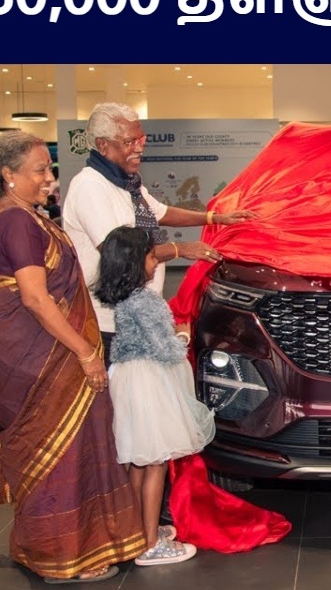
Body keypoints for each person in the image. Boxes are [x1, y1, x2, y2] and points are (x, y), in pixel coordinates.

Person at [0, 131, 146, 583]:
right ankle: (60, 556)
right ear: (8, 175)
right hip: (39, 357)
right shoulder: (16, 221)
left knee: (71, 447)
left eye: (48, 169)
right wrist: (86, 352)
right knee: (58, 452)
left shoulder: (23, 215)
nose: (49, 178)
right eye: (39, 170)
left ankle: (58, 546)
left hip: (43, 350)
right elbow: (35, 298)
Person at [62, 102, 258, 356]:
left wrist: (216, 218)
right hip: (109, 321)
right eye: (130, 142)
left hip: (141, 311)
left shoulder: (127, 183)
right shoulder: (90, 187)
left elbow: (161, 212)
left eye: (141, 139)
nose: (139, 148)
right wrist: (180, 249)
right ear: (103, 145)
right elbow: (120, 254)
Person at [93, 226, 214, 566]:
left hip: (130, 378)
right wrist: (184, 336)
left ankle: (135, 531)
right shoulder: (144, 301)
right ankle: (149, 544)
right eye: (150, 256)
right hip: (148, 383)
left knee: (139, 461)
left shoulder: (125, 299)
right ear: (134, 262)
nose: (155, 261)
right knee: (156, 463)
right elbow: (165, 350)